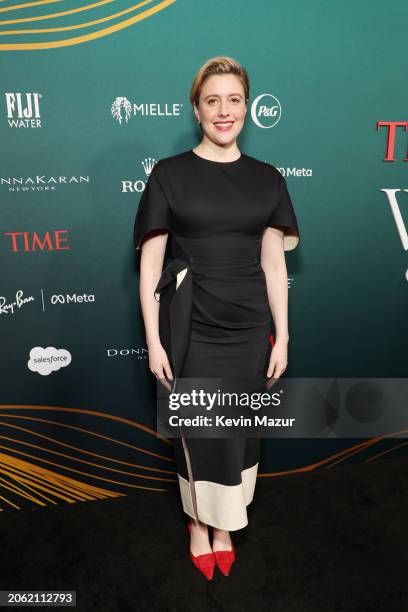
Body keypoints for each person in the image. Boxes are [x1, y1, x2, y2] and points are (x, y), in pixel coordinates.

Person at [133, 56, 300, 580]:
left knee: (240, 432)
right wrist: (154, 342)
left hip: (250, 329)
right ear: (197, 109)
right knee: (202, 432)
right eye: (212, 101)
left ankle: (225, 524)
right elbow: (151, 264)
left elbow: (274, 263)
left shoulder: (268, 179)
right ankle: (199, 525)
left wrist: (283, 337)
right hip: (192, 327)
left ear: (246, 107)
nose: (223, 111)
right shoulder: (169, 175)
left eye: (233, 100)